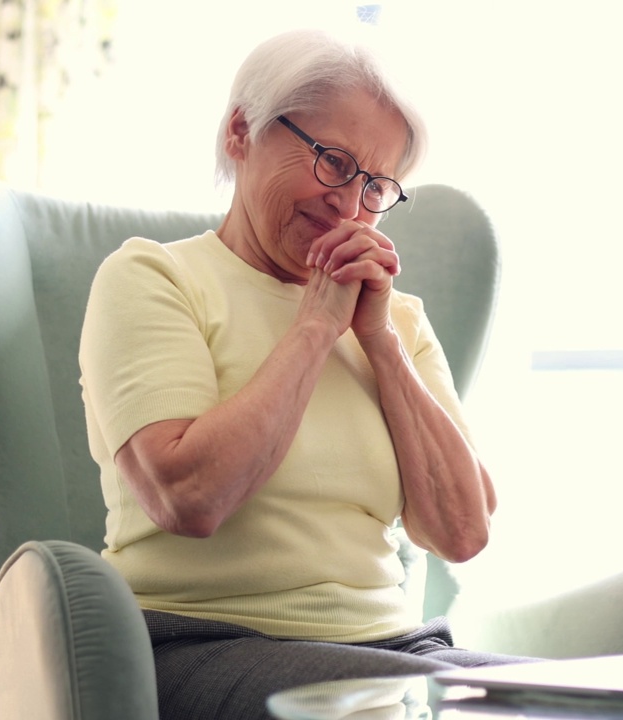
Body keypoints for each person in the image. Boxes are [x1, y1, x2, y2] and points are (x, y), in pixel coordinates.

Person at [79, 28, 529, 719]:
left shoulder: (396, 320)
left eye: (376, 186)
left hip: (394, 648)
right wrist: (316, 325)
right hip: (199, 644)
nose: (350, 206)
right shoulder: (153, 279)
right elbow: (189, 499)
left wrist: (380, 345)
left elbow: (463, 533)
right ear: (240, 132)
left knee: (589, 703)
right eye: (333, 162)